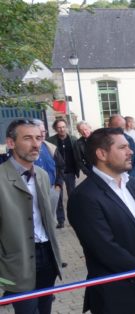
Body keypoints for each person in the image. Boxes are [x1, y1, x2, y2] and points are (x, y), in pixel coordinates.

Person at [67, 127, 135, 313]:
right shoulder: (84, 197)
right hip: (116, 295)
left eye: (129, 147)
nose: (130, 152)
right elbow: (105, 248)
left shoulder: (133, 184)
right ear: (102, 154)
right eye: (122, 147)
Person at [1, 119, 64, 314]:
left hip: (47, 255)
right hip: (16, 261)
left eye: (38, 138)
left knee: (45, 309)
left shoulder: (43, 175)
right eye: (27, 138)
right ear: (11, 143)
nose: (36, 144)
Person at [48, 119, 79, 229]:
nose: (62, 129)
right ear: (55, 129)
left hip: (70, 172)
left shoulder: (73, 139)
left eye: (63, 127)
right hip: (58, 173)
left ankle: (74, 219)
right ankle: (61, 220)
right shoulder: (50, 141)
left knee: (72, 197)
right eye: (59, 127)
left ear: (67, 127)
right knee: (58, 197)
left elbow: (78, 155)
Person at [109, 115, 135, 180]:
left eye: (122, 128)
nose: (119, 131)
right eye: (117, 128)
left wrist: (129, 178)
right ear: (109, 126)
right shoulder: (102, 142)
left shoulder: (129, 139)